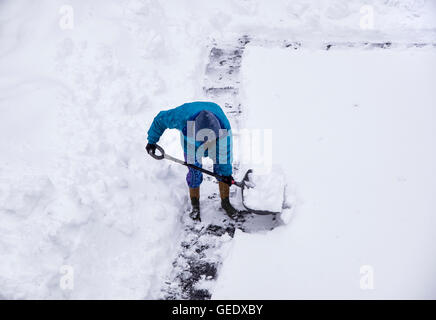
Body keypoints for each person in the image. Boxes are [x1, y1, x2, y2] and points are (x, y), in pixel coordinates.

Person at [146, 101, 238, 221]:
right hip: (191, 143)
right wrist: (152, 141)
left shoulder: (224, 131)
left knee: (223, 168)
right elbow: (160, 119)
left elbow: (224, 160)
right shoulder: (182, 116)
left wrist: (226, 175)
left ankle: (225, 202)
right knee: (194, 170)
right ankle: (195, 206)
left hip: (216, 140)